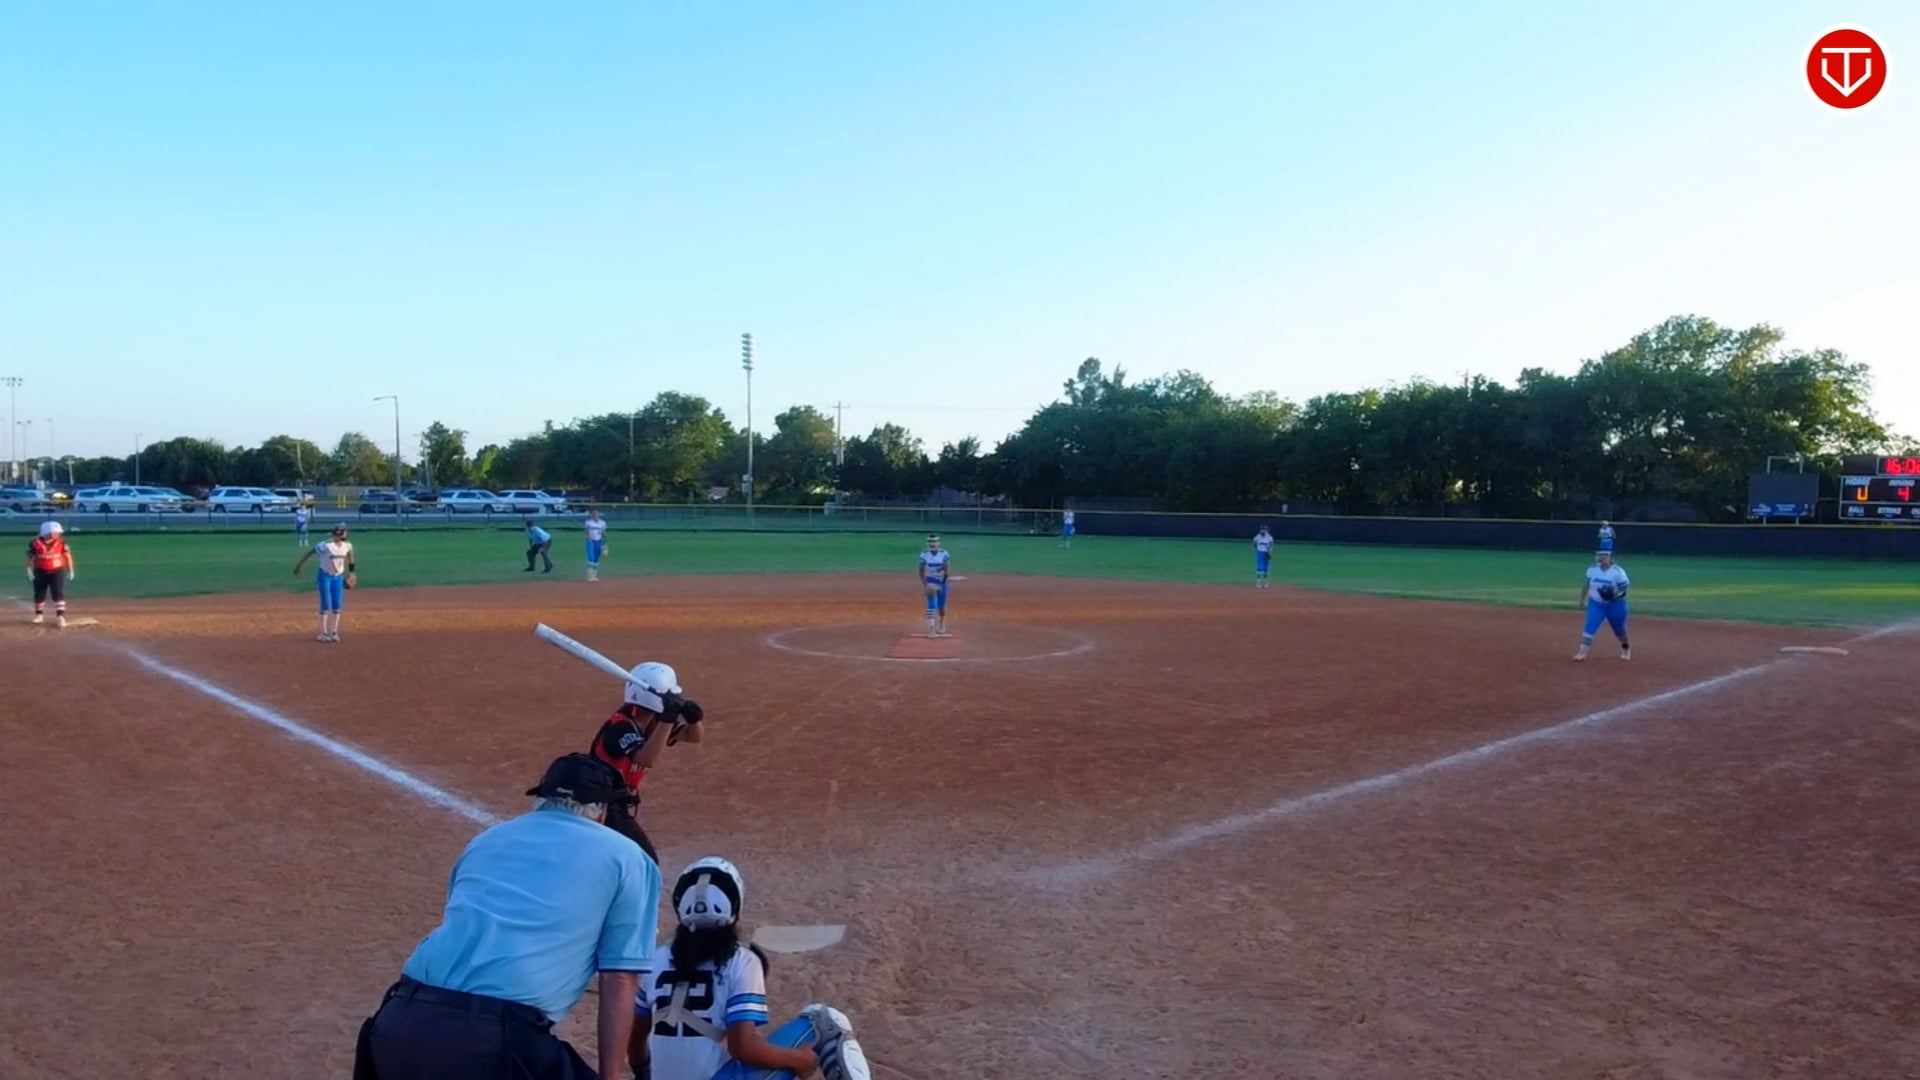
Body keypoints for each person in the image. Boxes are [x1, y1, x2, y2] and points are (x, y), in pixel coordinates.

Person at [354, 753, 661, 1080]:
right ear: (602, 811)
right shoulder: (628, 857)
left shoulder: (485, 841)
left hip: (397, 1022)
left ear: (540, 799)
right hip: (492, 1040)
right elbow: (619, 978)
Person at [632, 858, 869, 1080]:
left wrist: (644, 1074)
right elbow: (743, 1047)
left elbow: (635, 1040)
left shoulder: (655, 959)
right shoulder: (741, 961)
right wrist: (798, 1060)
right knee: (824, 1020)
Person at [588, 660, 705, 865]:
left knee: (624, 860)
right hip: (598, 806)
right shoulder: (620, 728)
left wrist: (693, 719)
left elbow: (693, 736)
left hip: (616, 803)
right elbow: (645, 758)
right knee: (645, 861)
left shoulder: (651, 722)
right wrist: (667, 720)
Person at [292, 523, 355, 643]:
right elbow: (309, 553)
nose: (346, 534)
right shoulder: (326, 545)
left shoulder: (347, 546)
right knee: (325, 603)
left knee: (337, 603)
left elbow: (351, 556)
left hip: (338, 577)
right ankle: (323, 633)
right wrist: (299, 566)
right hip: (324, 576)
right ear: (338, 534)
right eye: (344, 532)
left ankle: (334, 632)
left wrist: (352, 572)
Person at [1575, 550, 1631, 662]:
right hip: (1596, 603)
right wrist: (1582, 600)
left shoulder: (1618, 572)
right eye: (1600, 554)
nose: (1602, 557)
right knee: (1590, 626)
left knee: (1619, 629)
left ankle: (1625, 647)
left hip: (1615, 605)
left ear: (1611, 557)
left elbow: (1624, 590)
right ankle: (1582, 653)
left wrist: (1614, 595)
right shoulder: (1592, 570)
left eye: (1605, 555)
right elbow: (1586, 585)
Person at [26, 520, 75, 629]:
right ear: (47, 532)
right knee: (39, 593)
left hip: (57, 571)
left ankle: (60, 616)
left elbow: (68, 556)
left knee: (58, 592)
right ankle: (39, 615)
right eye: (55, 532)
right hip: (40, 571)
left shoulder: (62, 543)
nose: (58, 534)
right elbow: (29, 557)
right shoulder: (35, 544)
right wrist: (29, 570)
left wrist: (70, 570)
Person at [917, 534, 951, 637]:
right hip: (930, 581)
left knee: (941, 607)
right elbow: (921, 572)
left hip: (942, 582)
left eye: (934, 542)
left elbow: (947, 570)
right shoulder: (924, 554)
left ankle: (942, 621)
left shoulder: (944, 553)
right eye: (930, 542)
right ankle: (931, 629)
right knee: (931, 604)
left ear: (938, 543)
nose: (932, 544)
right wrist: (926, 585)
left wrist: (941, 583)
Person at [584, 508, 609, 582]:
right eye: (593, 514)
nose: (595, 515)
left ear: (598, 514)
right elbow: (586, 532)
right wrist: (588, 539)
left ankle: (594, 576)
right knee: (591, 558)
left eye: (596, 513)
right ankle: (590, 576)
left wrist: (605, 543)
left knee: (596, 559)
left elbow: (604, 533)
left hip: (599, 542)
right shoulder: (588, 522)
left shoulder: (602, 523)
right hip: (591, 542)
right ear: (591, 515)